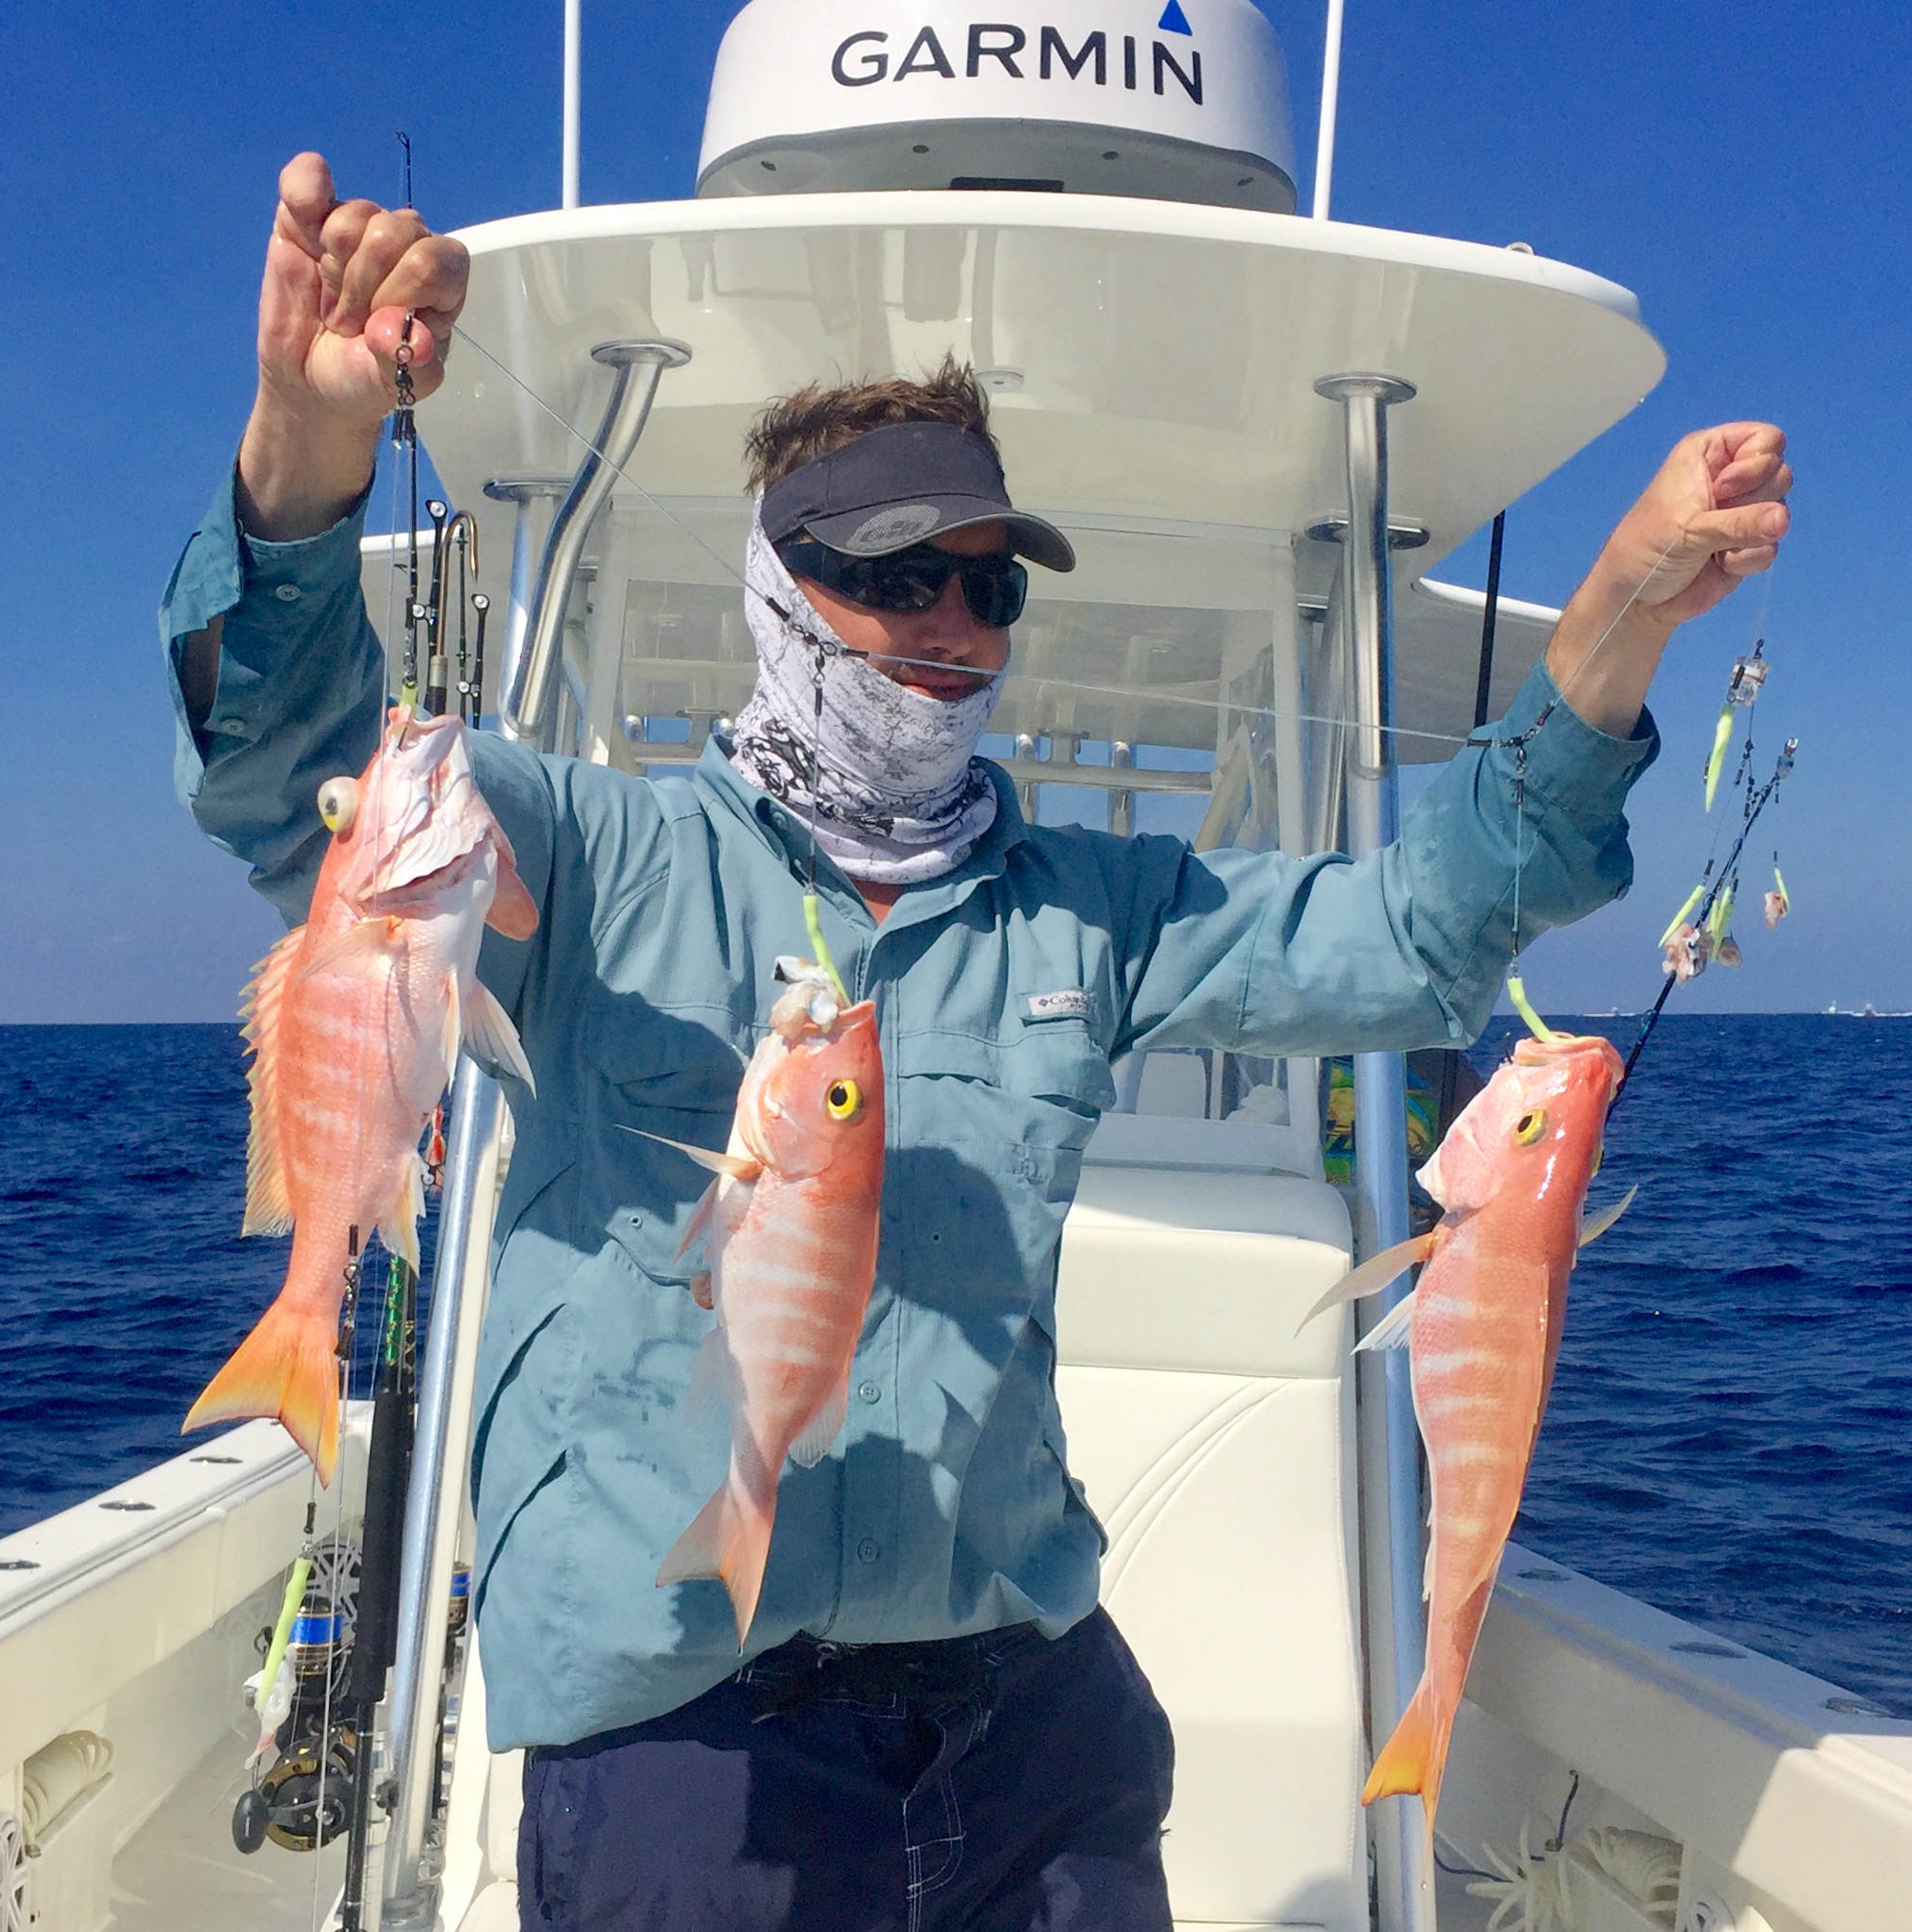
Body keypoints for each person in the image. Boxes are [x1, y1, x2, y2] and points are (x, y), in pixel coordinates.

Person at [164, 156, 1791, 1932]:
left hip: (1031, 1721)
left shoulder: (1089, 905)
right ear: (776, 589)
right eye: (895, 575)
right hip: (680, 1734)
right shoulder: (594, 855)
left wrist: (1617, 613)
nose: (951, 626)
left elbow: (1409, 935)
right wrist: (304, 457)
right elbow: (296, 785)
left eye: (989, 588)